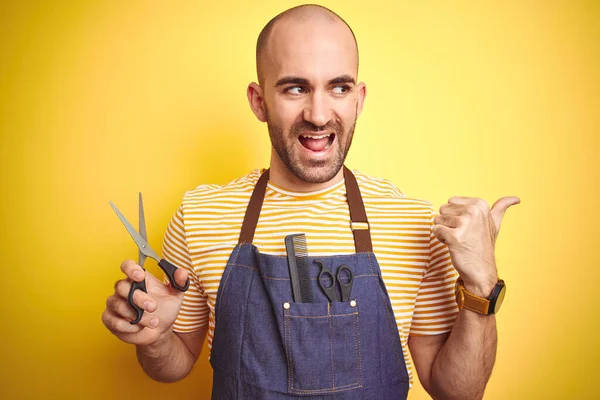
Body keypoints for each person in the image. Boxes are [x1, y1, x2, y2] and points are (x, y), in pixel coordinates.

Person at [102, 4, 520, 399]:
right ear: (259, 101)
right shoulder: (199, 216)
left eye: (338, 87)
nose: (319, 115)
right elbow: (172, 366)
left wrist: (481, 287)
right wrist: (155, 338)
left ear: (358, 99)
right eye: (296, 88)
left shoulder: (412, 222)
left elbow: (459, 392)